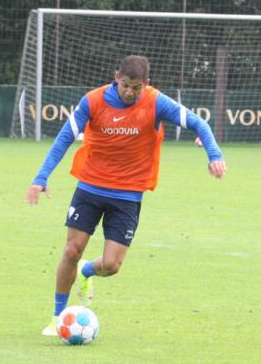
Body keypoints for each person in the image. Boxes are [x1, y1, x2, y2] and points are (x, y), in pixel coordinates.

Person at [25, 55, 227, 334]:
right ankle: (58, 317)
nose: (130, 92)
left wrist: (213, 154)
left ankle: (87, 272)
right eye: (125, 85)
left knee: (111, 265)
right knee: (72, 249)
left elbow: (198, 123)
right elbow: (64, 137)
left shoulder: (156, 102)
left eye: (136, 87)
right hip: (90, 188)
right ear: (116, 77)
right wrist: (41, 177)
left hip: (128, 196)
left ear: (146, 84)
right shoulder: (93, 101)